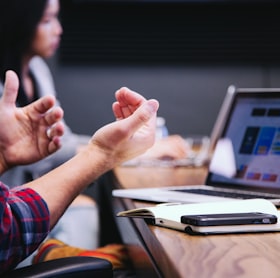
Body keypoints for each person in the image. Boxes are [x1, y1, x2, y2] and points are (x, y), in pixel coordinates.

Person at [0, 0, 189, 253]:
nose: (59, 29)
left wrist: (107, 149)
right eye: (47, 20)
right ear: (18, 23)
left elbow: (59, 141)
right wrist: (108, 152)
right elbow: (10, 227)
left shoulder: (37, 70)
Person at [0, 69, 159, 274]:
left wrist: (2, 156)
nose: (58, 33)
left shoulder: (37, 69)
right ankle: (47, 254)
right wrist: (103, 153)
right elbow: (6, 230)